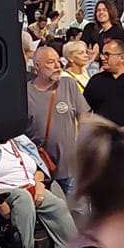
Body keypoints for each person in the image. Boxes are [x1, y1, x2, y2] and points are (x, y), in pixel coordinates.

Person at [27, 43, 90, 191]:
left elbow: (84, 118)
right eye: (50, 62)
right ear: (37, 66)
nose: (57, 65)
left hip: (69, 165)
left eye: (58, 60)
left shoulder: (69, 85)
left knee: (78, 210)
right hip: (37, 165)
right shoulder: (25, 93)